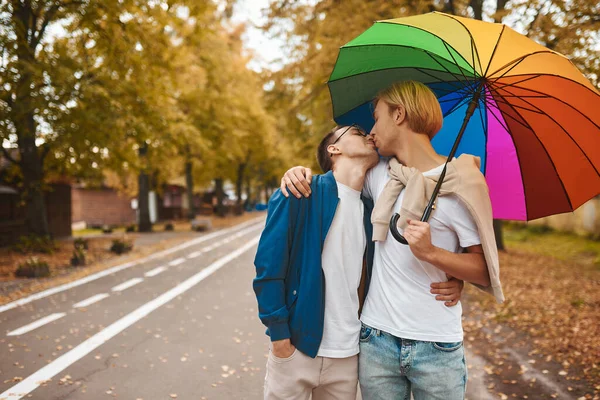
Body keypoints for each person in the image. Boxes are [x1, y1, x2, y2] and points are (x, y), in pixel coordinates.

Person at [281, 80, 504, 400]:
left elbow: (484, 270)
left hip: (437, 345)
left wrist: (433, 254)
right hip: (376, 341)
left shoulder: (461, 184)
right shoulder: (378, 174)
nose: (371, 130)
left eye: (377, 117)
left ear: (398, 115)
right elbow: (336, 178)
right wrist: (297, 173)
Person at [253, 123, 464, 400]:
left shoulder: (375, 212)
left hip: (350, 354)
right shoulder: (301, 194)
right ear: (334, 148)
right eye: (356, 133)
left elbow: (395, 262)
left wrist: (456, 278)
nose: (367, 136)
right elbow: (268, 270)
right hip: (298, 348)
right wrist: (280, 339)